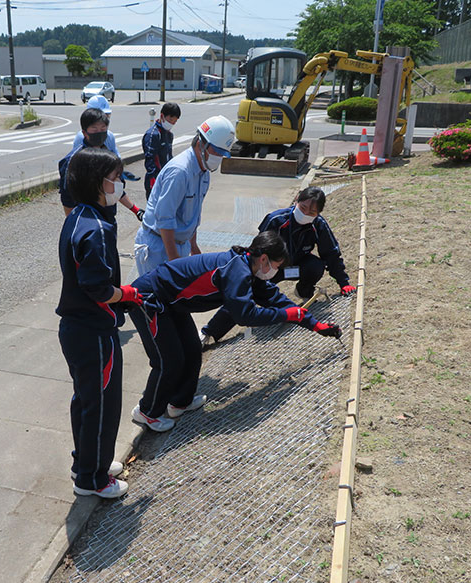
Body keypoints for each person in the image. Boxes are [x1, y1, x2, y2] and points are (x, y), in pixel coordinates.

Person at [127, 230, 341, 432]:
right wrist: (288, 316)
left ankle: (179, 401)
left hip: (173, 303)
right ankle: (147, 412)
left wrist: (315, 325)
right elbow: (245, 315)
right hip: (149, 299)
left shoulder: (249, 267)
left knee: (192, 349)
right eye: (278, 264)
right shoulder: (236, 271)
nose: (277, 269)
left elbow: (277, 300)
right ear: (264, 258)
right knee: (169, 360)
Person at [57, 146, 148, 499]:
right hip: (94, 329)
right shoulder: (96, 228)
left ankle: (89, 461)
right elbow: (97, 289)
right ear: (98, 183)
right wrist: (127, 294)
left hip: (77, 328)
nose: (120, 184)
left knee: (86, 400)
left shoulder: (78, 216)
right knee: (102, 404)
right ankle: (92, 480)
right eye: (115, 178)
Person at [200, 186, 356, 344]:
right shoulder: (276, 219)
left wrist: (344, 283)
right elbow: (258, 249)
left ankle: (304, 291)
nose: (306, 214)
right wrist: (259, 273)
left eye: (312, 212)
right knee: (246, 292)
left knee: (315, 266)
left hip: (295, 267)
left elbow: (331, 254)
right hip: (271, 268)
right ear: (296, 200)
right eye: (303, 208)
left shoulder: (318, 225)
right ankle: (210, 332)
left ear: (318, 213)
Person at [133, 115, 234, 277]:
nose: (218, 158)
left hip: (180, 244)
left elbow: (192, 214)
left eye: (223, 154)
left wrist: (193, 247)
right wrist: (175, 264)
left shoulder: (204, 171)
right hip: (159, 245)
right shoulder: (180, 172)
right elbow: (164, 219)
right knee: (155, 298)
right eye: (216, 151)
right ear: (201, 144)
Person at [59, 107, 143, 220]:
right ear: (84, 133)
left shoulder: (108, 155)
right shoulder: (74, 160)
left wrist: (135, 210)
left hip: (108, 216)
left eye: (103, 128)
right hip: (87, 219)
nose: (100, 133)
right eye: (94, 129)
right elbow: (67, 198)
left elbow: (116, 189)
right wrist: (72, 224)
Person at [141, 102, 181, 199]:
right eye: (170, 120)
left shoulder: (169, 135)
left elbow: (169, 157)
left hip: (167, 178)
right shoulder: (153, 134)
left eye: (174, 122)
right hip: (155, 179)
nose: (171, 123)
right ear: (162, 116)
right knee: (155, 211)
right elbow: (149, 159)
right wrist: (153, 179)